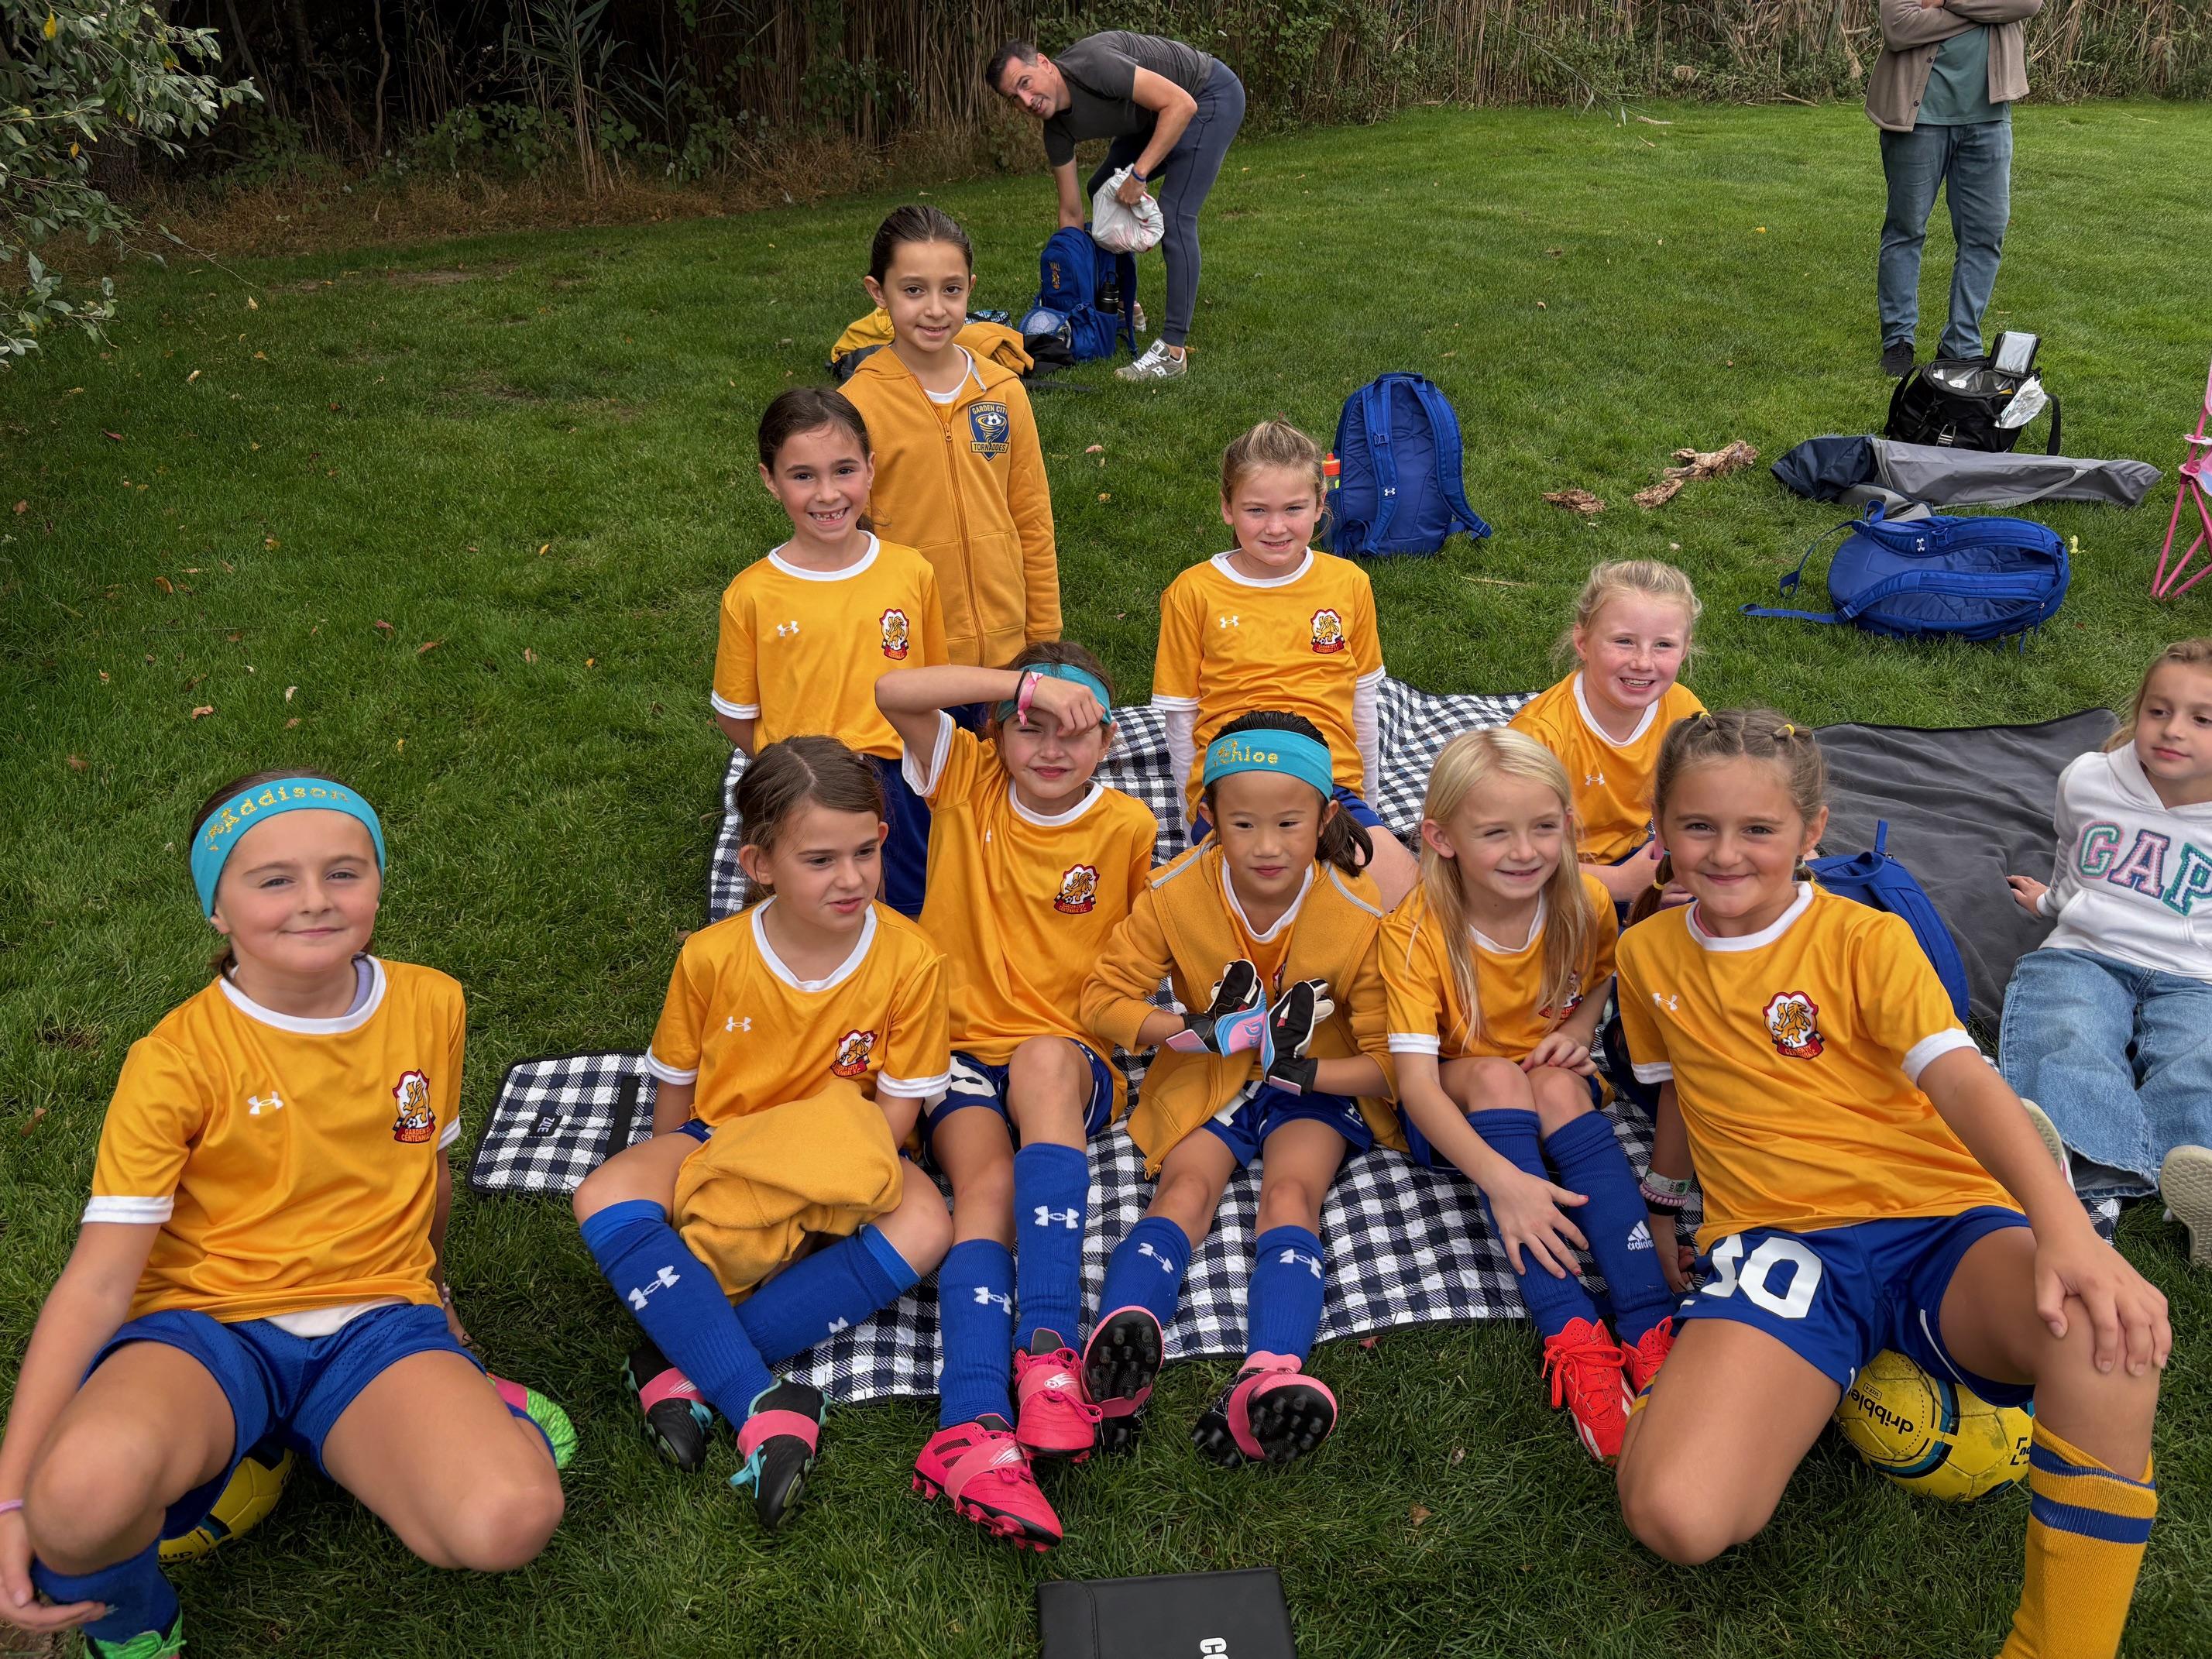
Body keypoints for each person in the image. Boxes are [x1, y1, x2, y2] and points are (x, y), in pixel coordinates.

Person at [1613, 710, 2168, 1659]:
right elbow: (1679, 1089)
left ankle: (2060, 1645)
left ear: (1811, 832)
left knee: (2107, 1334)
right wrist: (1665, 1200)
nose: (1726, 853)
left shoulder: (1866, 939)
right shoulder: (1646, 955)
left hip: (1938, 1219)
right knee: (1679, 1517)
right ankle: (1817, 1370)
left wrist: (2067, 1229)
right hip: (1783, 1248)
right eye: (1698, 826)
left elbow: (1962, 1078)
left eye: (1759, 829)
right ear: (1659, 827)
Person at [0, 772, 572, 1659]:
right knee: (75, 1499)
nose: (315, 900)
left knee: (510, 1518)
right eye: (274, 880)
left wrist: (442, 1308)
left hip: (376, 1322)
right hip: (206, 1327)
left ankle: (380, 1417)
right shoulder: (175, 1061)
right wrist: (11, 1496)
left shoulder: (432, 1002)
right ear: (216, 909)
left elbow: (428, 1173)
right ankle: (135, 1624)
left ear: (377, 881)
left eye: (344, 872)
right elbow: (99, 1281)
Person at [572, 737, 953, 1530]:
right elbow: (676, 1085)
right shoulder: (712, 957)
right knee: (603, 1192)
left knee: (927, 1224)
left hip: (843, 1150)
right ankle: (760, 1399)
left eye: (865, 852)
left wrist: (815, 1195)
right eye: (820, 860)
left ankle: (679, 1361)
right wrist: (681, 1195)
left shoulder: (912, 960)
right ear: (759, 864)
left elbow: (895, 1115)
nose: (850, 878)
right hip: (727, 1135)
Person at [875, 644, 1157, 1550]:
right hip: (955, 1049)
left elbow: (1141, 957)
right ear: (996, 734)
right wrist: (1023, 686)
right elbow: (892, 688)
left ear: (1109, 742)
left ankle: (1046, 1353)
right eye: (1030, 728)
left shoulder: (1128, 827)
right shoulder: (964, 782)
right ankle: (970, 1424)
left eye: (1076, 731)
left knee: (1041, 1062)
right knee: (985, 1188)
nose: (1050, 748)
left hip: (1066, 1055)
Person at [1079, 714, 1401, 1465]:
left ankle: (1269, 1373)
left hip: (1316, 1084)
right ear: (1209, 817)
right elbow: (1102, 999)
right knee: (1183, 1190)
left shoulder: (1361, 914)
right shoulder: (1173, 893)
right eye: (1243, 823)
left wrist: (1306, 1072)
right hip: (1207, 1074)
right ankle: (1122, 1344)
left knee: (1291, 1194)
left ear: (1325, 817)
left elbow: (1391, 1061)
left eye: (1289, 823)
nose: (1266, 846)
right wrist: (1190, 1030)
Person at [1382, 729, 1674, 1464]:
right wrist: (1504, 1183)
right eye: (1496, 833)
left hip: (1548, 1084)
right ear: (1442, 839)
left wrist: (1577, 1028)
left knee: (1554, 1085)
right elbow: (1415, 1085)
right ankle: (1572, 1335)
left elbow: (1600, 977)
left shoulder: (1584, 901)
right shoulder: (1415, 933)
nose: (1525, 851)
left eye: (1544, 827)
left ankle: (1649, 1322)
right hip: (1458, 1106)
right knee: (1498, 1075)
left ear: (1568, 825)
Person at [2001, 638, 2212, 1266]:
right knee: (2068, 1031)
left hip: (2195, 972)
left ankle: (2197, 1179)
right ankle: (2088, 1186)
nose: (2173, 730)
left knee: (2197, 1057)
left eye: (2203, 719)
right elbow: (2072, 859)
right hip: (2086, 951)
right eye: (2158, 710)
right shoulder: (2089, 780)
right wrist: (2049, 903)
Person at [1153, 419, 1419, 908]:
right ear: (1227, 508)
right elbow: (1181, 716)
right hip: (1236, 777)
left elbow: (1363, 701)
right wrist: (1197, 809)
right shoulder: (1192, 592)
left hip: (1328, 780)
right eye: (1256, 510)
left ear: (1320, 506)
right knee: (1246, 912)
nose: (1276, 528)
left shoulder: (1349, 583)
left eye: (1293, 509)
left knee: (1409, 899)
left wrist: (1368, 805)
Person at [716, 386, 947, 916]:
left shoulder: (911, 571)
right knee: (813, 912)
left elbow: (930, 687)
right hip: (803, 790)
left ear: (870, 469)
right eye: (803, 476)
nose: (827, 494)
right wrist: (794, 770)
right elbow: (734, 715)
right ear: (770, 480)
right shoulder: (752, 594)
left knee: (908, 910)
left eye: (844, 470)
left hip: (901, 785)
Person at [840, 206, 1059, 672]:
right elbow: (847, 543)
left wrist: (1043, 640)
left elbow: (1033, 520)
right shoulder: (856, 407)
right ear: (878, 292)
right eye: (914, 290)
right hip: (911, 657)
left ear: (970, 289)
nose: (936, 309)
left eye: (952, 290)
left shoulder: (1004, 391)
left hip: (1008, 653)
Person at [987, 33, 1246, 384]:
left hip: (1207, 95)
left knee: (1175, 214)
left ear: (1044, 64)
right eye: (1014, 98)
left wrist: (1139, 175)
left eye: (1025, 83)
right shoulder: (1057, 132)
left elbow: (1181, 105)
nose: (1026, 101)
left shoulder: (1095, 65)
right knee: (1100, 190)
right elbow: (1071, 214)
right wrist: (1074, 288)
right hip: (1152, 118)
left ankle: (1172, 351)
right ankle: (1122, 300)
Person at [1508, 559, 1705, 913]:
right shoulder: (1540, 736)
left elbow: (1706, 793)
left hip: (1638, 853)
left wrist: (1673, 861)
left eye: (1663, 645)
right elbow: (1508, 852)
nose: (1643, 662)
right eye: (1624, 641)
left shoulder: (1682, 709)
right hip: (1555, 872)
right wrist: (1620, 883)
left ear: (1685, 649)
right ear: (1583, 643)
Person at [1867, 0, 2045, 378]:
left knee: (1985, 234)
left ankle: (1960, 344)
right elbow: (1898, 27)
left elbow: (2027, 3)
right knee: (1906, 228)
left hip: (1989, 120)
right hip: (1918, 118)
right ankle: (1898, 340)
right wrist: (1986, 11)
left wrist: (1944, 3)